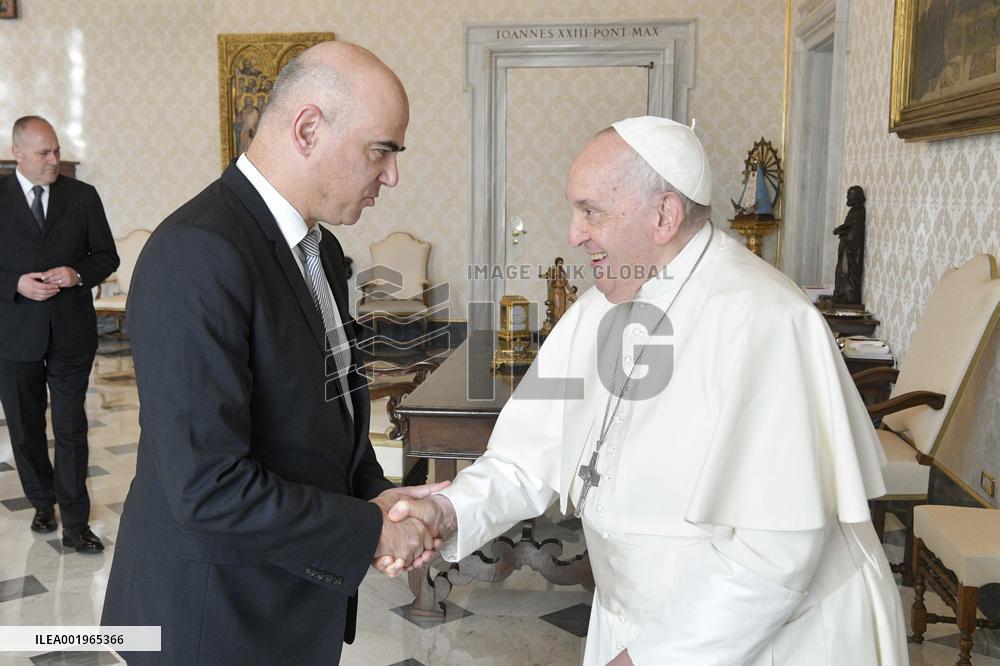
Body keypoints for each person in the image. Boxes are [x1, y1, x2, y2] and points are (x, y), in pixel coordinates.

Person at [386, 117, 907, 665]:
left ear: (664, 215)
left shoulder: (767, 319)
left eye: (591, 211)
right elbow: (526, 460)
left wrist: (652, 658)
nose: (573, 233)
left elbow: (774, 550)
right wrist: (447, 510)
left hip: (762, 638)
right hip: (632, 623)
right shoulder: (596, 310)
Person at [101, 42, 444, 664]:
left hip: (284, 599)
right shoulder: (198, 254)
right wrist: (370, 531)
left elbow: (322, 409)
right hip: (212, 618)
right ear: (308, 128)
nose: (391, 175)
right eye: (381, 150)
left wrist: (373, 492)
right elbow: (208, 487)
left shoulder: (321, 250)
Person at [0, 116, 119, 553]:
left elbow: (107, 255)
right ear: (17, 153)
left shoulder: (82, 196)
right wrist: (14, 283)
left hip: (71, 332)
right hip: (13, 334)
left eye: (55, 150)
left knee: (71, 428)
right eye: (43, 154)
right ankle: (41, 501)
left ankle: (75, 521)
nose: (54, 160)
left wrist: (76, 273)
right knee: (26, 427)